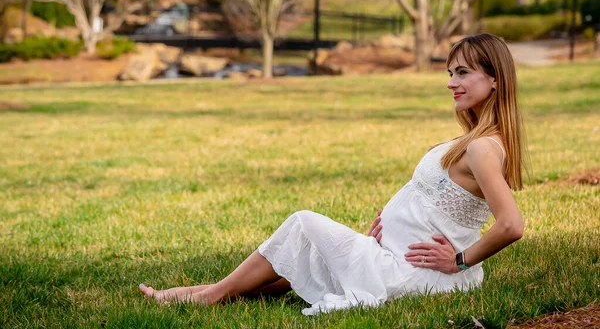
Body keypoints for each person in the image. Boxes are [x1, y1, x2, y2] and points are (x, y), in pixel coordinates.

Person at [139, 33, 527, 315]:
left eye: (462, 73)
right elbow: (443, 207)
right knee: (299, 262)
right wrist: (393, 226)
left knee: (303, 224)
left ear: (495, 79)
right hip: (397, 258)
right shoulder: (475, 140)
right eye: (449, 72)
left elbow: (511, 224)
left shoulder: (482, 148)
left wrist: (459, 260)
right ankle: (204, 291)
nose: (450, 82)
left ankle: (210, 296)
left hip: (410, 274)